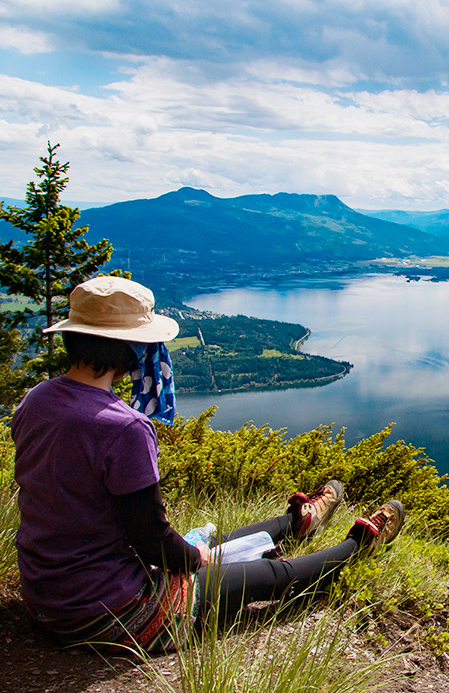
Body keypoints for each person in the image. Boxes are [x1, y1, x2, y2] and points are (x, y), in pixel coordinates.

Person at [11, 276, 405, 653]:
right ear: (127, 349)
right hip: (108, 610)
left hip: (46, 596)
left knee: (211, 545)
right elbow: (155, 543)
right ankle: (361, 545)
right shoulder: (124, 428)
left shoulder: (36, 400)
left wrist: (191, 552)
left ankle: (298, 521)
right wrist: (192, 559)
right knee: (270, 577)